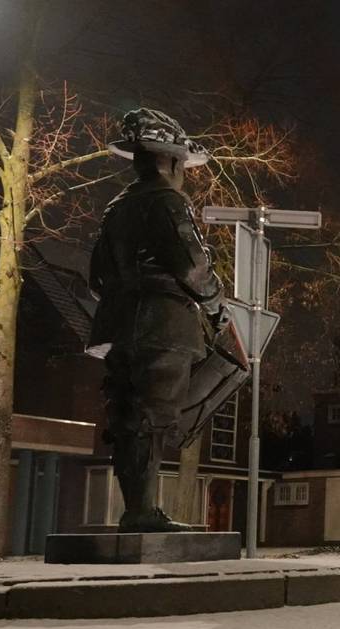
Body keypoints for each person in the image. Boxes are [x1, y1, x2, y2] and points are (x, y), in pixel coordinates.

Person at [87, 108, 229, 533]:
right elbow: (193, 266)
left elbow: (96, 278)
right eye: (182, 163)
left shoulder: (115, 209)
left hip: (116, 325)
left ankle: (136, 509)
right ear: (169, 161)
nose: (184, 173)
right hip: (163, 323)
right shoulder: (168, 202)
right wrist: (216, 306)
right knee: (154, 415)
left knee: (125, 415)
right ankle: (143, 513)